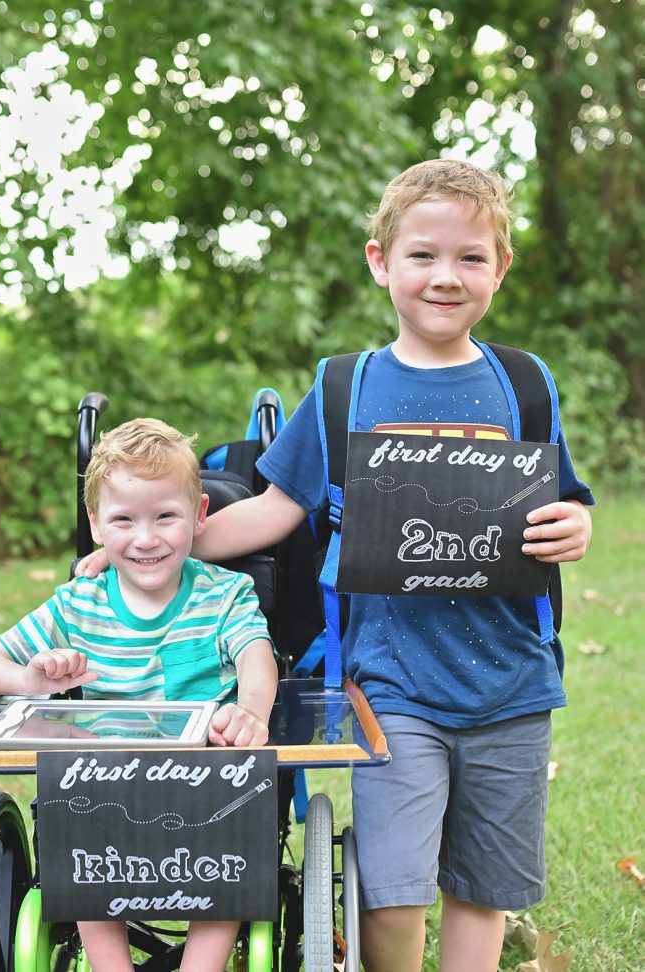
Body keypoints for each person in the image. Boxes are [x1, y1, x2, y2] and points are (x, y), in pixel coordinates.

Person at [76, 160, 594, 972]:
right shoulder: (344, 388)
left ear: (500, 267)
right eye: (423, 255)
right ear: (381, 262)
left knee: (484, 890)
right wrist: (146, 546)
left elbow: (564, 500)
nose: (446, 276)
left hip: (515, 681)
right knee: (392, 893)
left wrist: (577, 525)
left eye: (470, 257)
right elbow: (274, 509)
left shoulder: (525, 383)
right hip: (392, 683)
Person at [0, 417, 278, 972]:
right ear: (96, 524)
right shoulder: (77, 605)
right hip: (103, 792)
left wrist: (250, 711)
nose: (146, 538)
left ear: (199, 514)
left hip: (203, 788)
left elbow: (257, 655)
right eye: (124, 520)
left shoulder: (225, 593)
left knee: (231, 834)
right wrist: (31, 680)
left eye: (166, 517)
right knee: (79, 824)